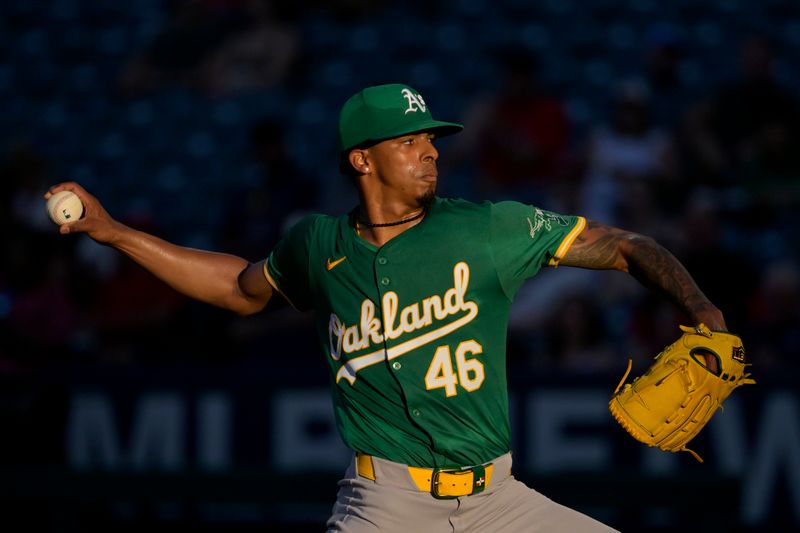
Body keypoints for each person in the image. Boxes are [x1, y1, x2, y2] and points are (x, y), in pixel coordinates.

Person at [47, 83, 726, 532]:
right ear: (362, 159)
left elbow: (623, 244)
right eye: (409, 140)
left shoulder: (484, 227)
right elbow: (235, 287)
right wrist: (115, 233)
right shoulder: (318, 246)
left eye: (430, 137)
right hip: (385, 504)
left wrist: (703, 310)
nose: (430, 148)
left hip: (501, 500)